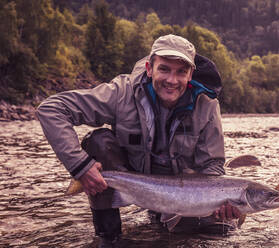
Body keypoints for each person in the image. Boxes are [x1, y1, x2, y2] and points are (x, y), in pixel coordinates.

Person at [37, 34, 241, 247]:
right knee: (98, 141)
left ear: (191, 74)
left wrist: (222, 202)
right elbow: (52, 109)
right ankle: (108, 237)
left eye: (181, 71)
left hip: (184, 195)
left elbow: (212, 166)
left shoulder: (206, 105)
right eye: (164, 69)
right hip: (133, 183)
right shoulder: (122, 92)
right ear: (149, 68)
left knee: (219, 233)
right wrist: (79, 166)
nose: (172, 80)